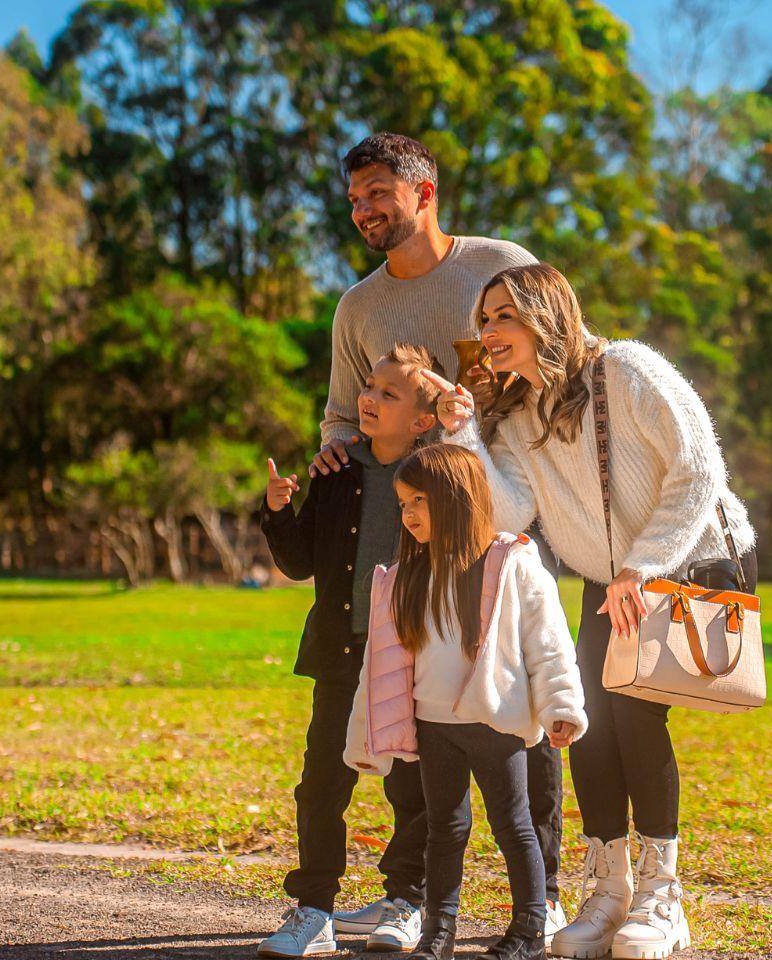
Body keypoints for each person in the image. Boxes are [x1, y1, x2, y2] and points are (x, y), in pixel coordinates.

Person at [423, 263, 758, 960]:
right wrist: (463, 435)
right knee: (587, 718)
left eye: (502, 317)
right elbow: (509, 512)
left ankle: (662, 900)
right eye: (483, 321)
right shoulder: (517, 414)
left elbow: (700, 468)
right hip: (614, 579)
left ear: (547, 315)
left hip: (685, 557)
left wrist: (644, 565)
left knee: (632, 709)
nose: (486, 334)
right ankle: (608, 890)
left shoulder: (629, 369)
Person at [313, 132, 569, 942]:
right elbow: (342, 416)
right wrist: (330, 450)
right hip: (411, 530)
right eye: (355, 198)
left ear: (425, 192)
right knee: (420, 705)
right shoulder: (358, 306)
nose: (364, 209)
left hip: (507, 513)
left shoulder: (499, 265)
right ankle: (410, 894)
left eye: (379, 192)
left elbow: (550, 368)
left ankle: (546, 893)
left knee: (520, 701)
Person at [344, 445, 588, 960]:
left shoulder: (512, 563)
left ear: (455, 500)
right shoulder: (405, 576)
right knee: (444, 830)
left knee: (514, 826)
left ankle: (529, 928)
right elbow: (380, 666)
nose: (406, 515)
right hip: (435, 728)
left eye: (418, 502)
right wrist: (367, 736)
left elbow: (549, 642)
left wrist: (560, 707)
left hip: (494, 725)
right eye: (402, 504)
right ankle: (439, 930)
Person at [257, 345, 445, 958]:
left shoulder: (439, 477)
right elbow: (300, 562)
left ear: (423, 418)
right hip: (341, 654)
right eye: (369, 386)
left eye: (390, 393)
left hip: (414, 657)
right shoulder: (334, 473)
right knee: (321, 786)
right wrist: (280, 513)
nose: (369, 398)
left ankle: (406, 902)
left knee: (411, 787)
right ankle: (314, 910)